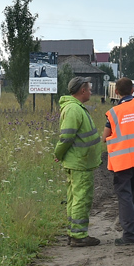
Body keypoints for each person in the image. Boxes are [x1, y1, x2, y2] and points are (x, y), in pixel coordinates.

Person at [54, 77, 103, 247]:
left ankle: (74, 232)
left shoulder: (76, 108)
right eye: (89, 89)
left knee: (75, 197)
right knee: (81, 198)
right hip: (79, 163)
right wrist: (58, 153)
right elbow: (67, 136)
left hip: (79, 161)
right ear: (82, 90)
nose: (91, 91)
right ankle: (79, 235)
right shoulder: (74, 109)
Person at [103, 77, 134, 246]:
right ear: (133, 91)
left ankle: (130, 235)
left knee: (125, 196)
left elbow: (105, 136)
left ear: (116, 92)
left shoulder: (114, 112)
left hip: (122, 160)